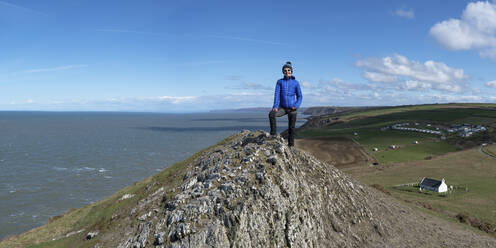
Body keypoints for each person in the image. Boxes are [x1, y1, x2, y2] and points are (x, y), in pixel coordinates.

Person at [269, 61, 303, 147]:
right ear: (283, 72)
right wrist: (275, 106)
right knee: (271, 114)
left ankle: (291, 145)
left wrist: (296, 105)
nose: (287, 72)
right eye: (285, 70)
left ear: (291, 71)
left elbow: (300, 96)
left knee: (291, 127)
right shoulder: (279, 82)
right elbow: (277, 95)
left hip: (292, 108)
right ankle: (273, 134)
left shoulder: (296, 83)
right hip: (282, 108)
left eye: (289, 70)